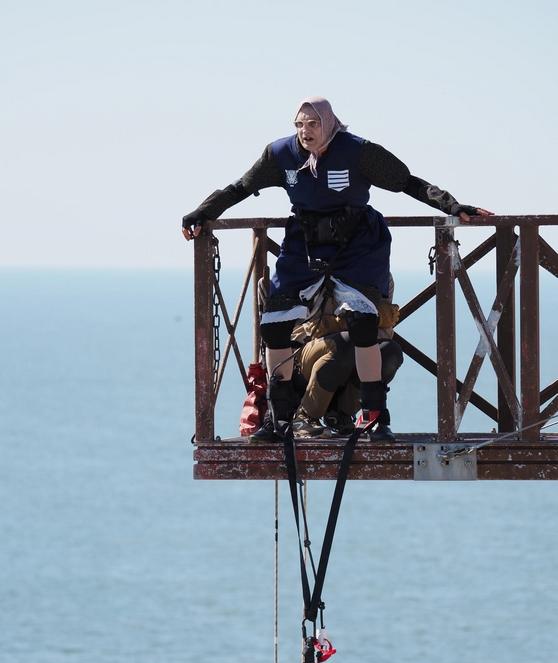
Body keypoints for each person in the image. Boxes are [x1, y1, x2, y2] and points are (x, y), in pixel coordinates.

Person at [182, 96, 493, 441]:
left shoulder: (358, 151)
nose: (305, 132)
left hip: (358, 240)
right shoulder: (280, 155)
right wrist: (203, 212)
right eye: (299, 125)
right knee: (275, 326)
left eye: (312, 124)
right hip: (305, 238)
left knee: (363, 325)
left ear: (328, 123)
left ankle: (374, 416)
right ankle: (280, 417)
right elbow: (240, 187)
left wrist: (453, 205)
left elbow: (408, 182)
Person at [288, 274, 403, 442]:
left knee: (390, 352)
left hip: (346, 356)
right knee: (345, 343)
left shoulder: (380, 276)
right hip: (302, 359)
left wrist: (351, 321)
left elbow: (383, 335)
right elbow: (310, 328)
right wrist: (363, 320)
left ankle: (343, 414)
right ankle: (304, 416)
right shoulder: (312, 271)